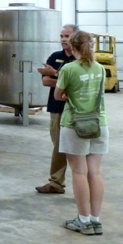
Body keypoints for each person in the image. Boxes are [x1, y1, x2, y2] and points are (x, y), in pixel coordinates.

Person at [55, 30, 108, 236]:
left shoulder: (69, 69)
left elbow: (58, 95)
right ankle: (95, 220)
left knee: (79, 171)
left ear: (73, 47)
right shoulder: (100, 68)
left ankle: (83, 220)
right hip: (99, 123)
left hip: (75, 124)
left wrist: (69, 94)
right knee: (95, 172)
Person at [35, 24, 77, 194]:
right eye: (61, 36)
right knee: (58, 146)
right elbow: (46, 81)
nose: (63, 39)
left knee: (77, 148)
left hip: (76, 110)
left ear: (76, 37)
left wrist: (57, 76)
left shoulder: (81, 59)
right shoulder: (55, 56)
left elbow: (79, 83)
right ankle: (56, 183)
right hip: (57, 108)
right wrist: (67, 82)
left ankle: (81, 183)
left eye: (67, 36)